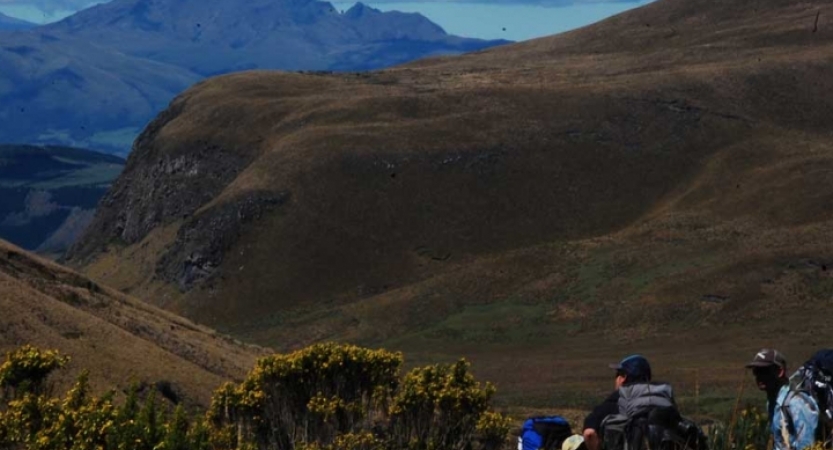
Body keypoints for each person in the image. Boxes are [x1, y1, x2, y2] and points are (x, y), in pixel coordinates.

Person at [746, 348, 819, 450]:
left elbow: (807, 446)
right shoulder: (772, 403)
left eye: (764, 371)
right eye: (756, 372)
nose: (759, 376)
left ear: (780, 372)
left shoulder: (796, 403)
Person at [582, 354, 656, 450]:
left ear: (623, 377)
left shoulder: (606, 408)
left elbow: (589, 434)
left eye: (617, 374)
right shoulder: (659, 406)